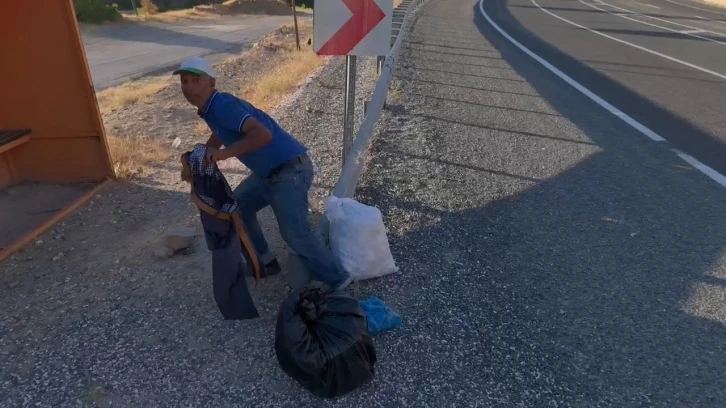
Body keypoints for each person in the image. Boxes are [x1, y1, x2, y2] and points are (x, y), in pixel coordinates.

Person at [173, 56, 357, 297]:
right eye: (185, 81)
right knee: (238, 209)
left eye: (196, 80)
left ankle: (340, 282)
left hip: (289, 172)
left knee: (296, 234)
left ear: (212, 83)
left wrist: (222, 155)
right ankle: (265, 262)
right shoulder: (211, 108)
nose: (189, 87)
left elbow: (262, 135)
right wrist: (203, 154)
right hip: (267, 174)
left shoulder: (222, 106)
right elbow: (220, 131)